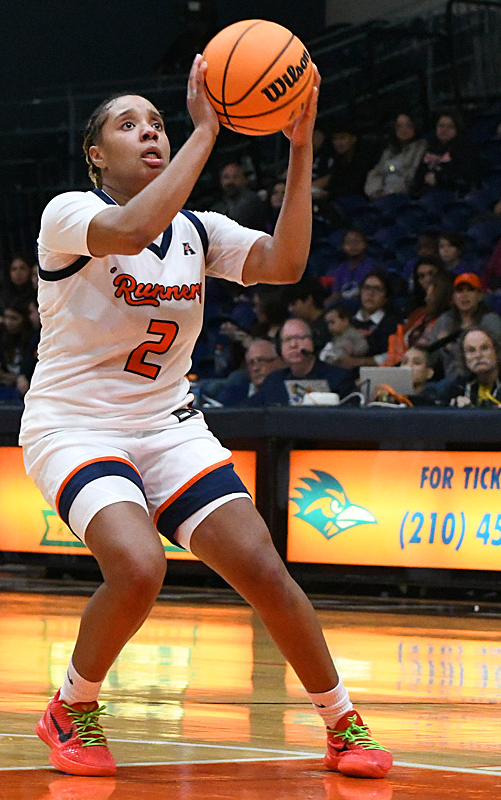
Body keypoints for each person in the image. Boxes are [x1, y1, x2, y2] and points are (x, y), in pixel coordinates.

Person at [19, 57, 391, 780]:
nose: (150, 134)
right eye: (130, 126)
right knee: (137, 565)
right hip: (76, 425)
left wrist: (301, 146)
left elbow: (284, 262)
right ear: (96, 155)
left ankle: (342, 721)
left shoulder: (196, 228)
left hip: (168, 424)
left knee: (262, 568)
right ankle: (72, 706)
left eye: (157, 123)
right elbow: (129, 229)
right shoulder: (67, 214)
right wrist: (206, 129)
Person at [247, 318, 356, 405]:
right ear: (280, 347)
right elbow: (246, 411)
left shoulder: (339, 378)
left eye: (300, 338)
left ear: (314, 341)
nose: (293, 345)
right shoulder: (274, 380)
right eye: (287, 340)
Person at [426, 272, 501, 379]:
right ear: (453, 297)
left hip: (482, 378)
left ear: (479, 296)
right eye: (460, 291)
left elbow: (497, 355)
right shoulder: (444, 321)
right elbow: (429, 359)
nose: (464, 295)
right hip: (449, 382)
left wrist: (451, 348)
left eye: (470, 290)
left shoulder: (490, 320)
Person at [339, 271, 401, 370]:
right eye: (366, 288)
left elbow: (394, 356)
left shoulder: (392, 324)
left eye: (377, 289)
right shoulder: (347, 319)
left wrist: (360, 362)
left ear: (386, 297)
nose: (370, 294)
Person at [411, 110, 474, 197]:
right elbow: (419, 174)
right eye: (441, 126)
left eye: (450, 127)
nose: (444, 130)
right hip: (426, 194)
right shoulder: (429, 148)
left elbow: (463, 176)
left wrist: (438, 178)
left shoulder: (464, 149)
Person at [364, 112, 427, 198]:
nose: (403, 129)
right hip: (381, 196)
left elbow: (411, 176)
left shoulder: (421, 147)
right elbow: (376, 173)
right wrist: (376, 191)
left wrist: (390, 192)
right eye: (399, 126)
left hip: (402, 196)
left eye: (408, 125)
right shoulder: (389, 151)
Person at [214, 338, 283, 406]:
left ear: (278, 362)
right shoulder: (230, 395)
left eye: (261, 361)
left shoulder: (288, 393)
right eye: (251, 363)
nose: (255, 368)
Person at [325, 228, 378, 309]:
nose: (353, 246)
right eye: (349, 242)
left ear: (364, 244)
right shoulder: (341, 269)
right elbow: (336, 294)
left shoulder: (372, 266)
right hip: (344, 310)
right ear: (343, 246)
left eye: (356, 241)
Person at [447, 327, 501, 407]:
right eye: (471, 350)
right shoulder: (458, 387)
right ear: (464, 358)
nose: (478, 355)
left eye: (484, 348)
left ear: (496, 352)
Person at [210, 160, 267, 231]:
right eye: (226, 177)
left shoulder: (251, 200)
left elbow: (235, 225)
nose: (230, 181)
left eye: (235, 177)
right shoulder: (219, 204)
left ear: (244, 179)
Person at [0, 253, 37, 326]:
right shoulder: (3, 296)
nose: (18, 273)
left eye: (22, 268)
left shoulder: (35, 294)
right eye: (14, 269)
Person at [287, 276, 329, 353]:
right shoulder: (300, 326)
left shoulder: (330, 324)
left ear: (308, 300)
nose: (290, 309)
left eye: (294, 304)